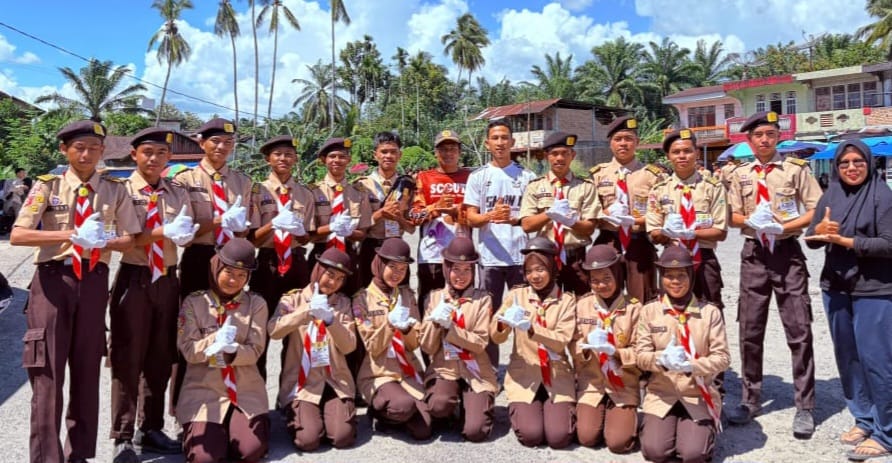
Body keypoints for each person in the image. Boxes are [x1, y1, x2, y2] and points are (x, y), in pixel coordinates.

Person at [11, 120, 141, 463]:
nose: (87, 155)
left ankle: (79, 454)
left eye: (94, 149)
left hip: (93, 281)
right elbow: (19, 235)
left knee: (87, 371)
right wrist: (69, 235)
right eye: (79, 148)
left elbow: (130, 238)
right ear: (64, 150)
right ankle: (46, 458)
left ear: (102, 151)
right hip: (53, 281)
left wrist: (104, 241)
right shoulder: (48, 186)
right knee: (47, 375)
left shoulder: (114, 189)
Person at [725, 111, 822, 437]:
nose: (764, 140)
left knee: (799, 329)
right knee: (750, 328)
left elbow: (815, 209)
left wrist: (785, 226)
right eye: (758, 135)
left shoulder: (796, 169)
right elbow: (731, 215)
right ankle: (750, 399)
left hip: (786, 253)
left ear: (778, 137)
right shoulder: (740, 173)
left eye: (770, 134)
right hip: (754, 254)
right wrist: (751, 222)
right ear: (749, 140)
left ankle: (805, 405)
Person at [108, 127, 198, 462]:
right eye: (147, 152)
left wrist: (185, 235)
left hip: (168, 278)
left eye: (161, 153)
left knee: (160, 357)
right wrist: (162, 231)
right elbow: (124, 237)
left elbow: (185, 229)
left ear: (169, 158)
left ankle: (150, 427)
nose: (154, 159)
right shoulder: (120, 189)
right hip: (135, 276)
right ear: (134, 155)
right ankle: (122, 434)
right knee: (128, 357)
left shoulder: (176, 190)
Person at [804, 140, 892, 461]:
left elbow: (889, 244)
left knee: (877, 361)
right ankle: (864, 418)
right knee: (848, 358)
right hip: (836, 286)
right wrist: (819, 229)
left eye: (857, 162)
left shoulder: (882, 196)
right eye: (844, 163)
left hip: (875, 290)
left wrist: (847, 241)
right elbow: (813, 238)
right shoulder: (832, 195)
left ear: (869, 163)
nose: (851, 168)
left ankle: (887, 431)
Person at [172, 117, 258, 411]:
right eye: (216, 141)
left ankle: (229, 399)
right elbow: (183, 227)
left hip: (233, 259)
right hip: (200, 257)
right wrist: (219, 220)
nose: (222, 147)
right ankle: (184, 407)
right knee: (193, 329)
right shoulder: (185, 180)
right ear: (201, 142)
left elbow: (246, 227)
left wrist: (241, 228)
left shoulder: (243, 181)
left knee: (233, 328)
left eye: (228, 142)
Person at [176, 238, 269, 463]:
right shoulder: (194, 303)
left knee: (250, 451)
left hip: (244, 389)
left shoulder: (256, 304)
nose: (233, 280)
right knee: (204, 458)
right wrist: (213, 341)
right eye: (228, 272)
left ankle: (235, 425)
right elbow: (188, 350)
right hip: (204, 390)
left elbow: (256, 349)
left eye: (241, 275)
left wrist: (233, 350)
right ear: (216, 268)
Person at [636, 245, 729, 463]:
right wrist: (660, 359)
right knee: (655, 451)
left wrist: (692, 366)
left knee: (693, 455)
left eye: (681, 275)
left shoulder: (710, 313)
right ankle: (668, 426)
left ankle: (702, 427)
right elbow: (640, 355)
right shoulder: (649, 311)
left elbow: (723, 358)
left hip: (697, 393)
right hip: (662, 393)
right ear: (661, 278)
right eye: (669, 276)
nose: (675, 281)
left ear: (691, 276)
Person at [268, 248, 358, 451]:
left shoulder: (343, 304)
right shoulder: (293, 299)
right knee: (308, 440)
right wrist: (305, 312)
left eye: (340, 279)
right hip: (303, 384)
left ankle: (331, 414)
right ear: (317, 270)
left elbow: (349, 346)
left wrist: (331, 320)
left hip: (334, 381)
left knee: (342, 437)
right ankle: (298, 412)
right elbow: (273, 331)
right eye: (330, 275)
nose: (333, 282)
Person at [490, 237, 576, 448]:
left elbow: (561, 341)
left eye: (540, 269)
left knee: (558, 438)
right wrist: (502, 323)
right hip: (524, 375)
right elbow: (496, 336)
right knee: (531, 435)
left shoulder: (567, 300)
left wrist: (532, 329)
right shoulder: (516, 295)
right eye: (529, 271)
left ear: (552, 268)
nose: (534, 276)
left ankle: (554, 410)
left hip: (556, 375)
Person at [465, 120, 537, 367]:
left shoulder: (527, 176)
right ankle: (490, 368)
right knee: (490, 316)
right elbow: (471, 218)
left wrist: (513, 219)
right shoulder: (478, 177)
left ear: (512, 142)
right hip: (490, 260)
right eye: (495, 138)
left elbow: (532, 218)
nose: (500, 143)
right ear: (487, 143)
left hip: (520, 257)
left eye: (505, 138)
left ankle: (524, 367)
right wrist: (490, 216)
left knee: (523, 315)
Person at [249, 134, 316, 381]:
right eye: (277, 154)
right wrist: (273, 225)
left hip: (296, 263)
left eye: (289, 155)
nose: (283, 159)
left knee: (297, 328)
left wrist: (299, 232)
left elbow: (306, 238)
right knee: (260, 328)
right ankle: (256, 389)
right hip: (267, 263)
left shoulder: (305, 194)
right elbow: (252, 239)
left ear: (296, 159)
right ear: (268, 159)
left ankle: (291, 391)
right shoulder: (257, 191)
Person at [419, 237, 497, 442]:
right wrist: (435, 324)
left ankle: (473, 405)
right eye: (455, 269)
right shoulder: (434, 297)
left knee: (475, 432)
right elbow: (427, 347)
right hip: (445, 368)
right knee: (438, 406)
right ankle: (454, 405)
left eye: (467, 270)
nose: (461, 276)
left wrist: (451, 329)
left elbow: (480, 342)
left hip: (475, 370)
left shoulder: (483, 299)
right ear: (446, 269)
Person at [352, 238, 431, 440]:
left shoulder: (407, 296)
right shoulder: (362, 300)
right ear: (380, 264)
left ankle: (395, 415)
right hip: (379, 372)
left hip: (406, 371)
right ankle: (379, 413)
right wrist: (389, 325)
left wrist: (406, 330)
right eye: (392, 267)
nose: (397, 273)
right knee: (403, 406)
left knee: (424, 429)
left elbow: (414, 343)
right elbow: (372, 346)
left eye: (402, 269)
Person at [647, 128, 728, 310]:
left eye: (687, 151)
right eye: (676, 152)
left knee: (710, 308)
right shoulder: (659, 190)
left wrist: (691, 234)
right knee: (671, 311)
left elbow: (720, 232)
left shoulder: (713, 187)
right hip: (672, 257)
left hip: (704, 257)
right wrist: (665, 232)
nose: (682, 156)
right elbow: (654, 234)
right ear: (668, 156)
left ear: (697, 153)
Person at [572, 244, 642, 453]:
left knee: (618, 443)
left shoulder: (634, 308)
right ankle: (601, 412)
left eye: (607, 278)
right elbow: (573, 342)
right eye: (595, 280)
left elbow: (641, 351)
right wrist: (585, 347)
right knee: (586, 437)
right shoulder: (582, 305)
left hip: (623, 384)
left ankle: (624, 416)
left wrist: (616, 352)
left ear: (618, 275)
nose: (601, 285)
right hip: (592, 383)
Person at [590, 116, 663, 303]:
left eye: (628, 139)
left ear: (637, 142)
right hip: (608, 240)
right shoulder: (598, 175)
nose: (623, 143)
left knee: (642, 297)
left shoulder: (652, 176)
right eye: (618, 139)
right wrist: (606, 213)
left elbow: (661, 213)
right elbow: (589, 211)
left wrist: (635, 221)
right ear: (610, 143)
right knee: (606, 296)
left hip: (639, 241)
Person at [520, 131, 599, 295]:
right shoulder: (535, 186)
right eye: (554, 154)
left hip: (575, 256)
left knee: (580, 301)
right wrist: (549, 214)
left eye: (565, 153)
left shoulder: (585, 187)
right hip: (545, 256)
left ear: (573, 155)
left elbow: (590, 227)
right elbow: (527, 225)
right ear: (546, 156)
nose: (560, 158)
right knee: (547, 302)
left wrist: (571, 222)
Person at [411, 129, 471, 313]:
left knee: (462, 305)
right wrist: (436, 207)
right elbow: (414, 216)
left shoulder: (470, 178)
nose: (448, 153)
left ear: (460, 152)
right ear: (436, 153)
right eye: (443, 149)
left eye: (453, 149)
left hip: (462, 255)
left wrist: (456, 212)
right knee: (429, 304)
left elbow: (477, 214)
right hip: (432, 256)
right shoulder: (424, 178)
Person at [308, 137, 372, 298]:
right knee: (316, 299)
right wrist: (331, 228)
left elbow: (363, 233)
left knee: (349, 299)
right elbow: (308, 235)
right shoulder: (312, 192)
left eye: (342, 156)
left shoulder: (359, 193)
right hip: (321, 253)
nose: (337, 160)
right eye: (332, 156)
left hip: (348, 254)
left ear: (349, 160)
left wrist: (349, 232)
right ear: (324, 160)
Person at [354, 131, 416, 288]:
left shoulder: (408, 185)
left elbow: (411, 229)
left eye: (393, 152)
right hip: (371, 246)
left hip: (397, 246)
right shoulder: (361, 185)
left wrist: (399, 218)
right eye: (384, 151)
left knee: (399, 293)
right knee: (368, 293)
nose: (389, 156)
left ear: (400, 155)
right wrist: (381, 214)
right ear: (375, 155)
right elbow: (357, 226)